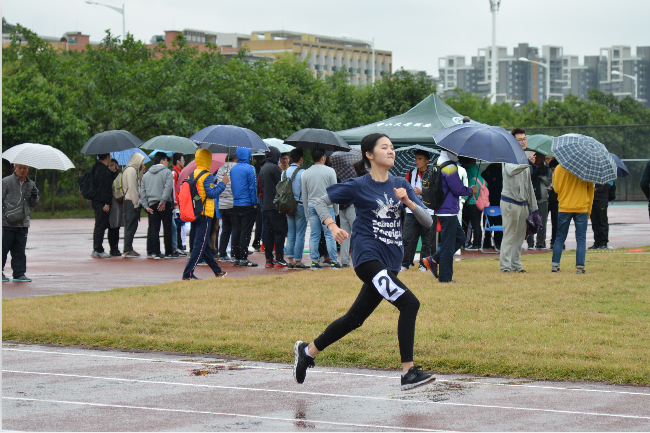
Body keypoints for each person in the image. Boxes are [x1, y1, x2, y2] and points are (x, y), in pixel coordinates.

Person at [292, 133, 436, 391]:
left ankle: (308, 351)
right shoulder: (359, 185)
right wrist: (333, 226)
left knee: (354, 319)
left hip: (390, 262)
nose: (391, 151)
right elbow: (320, 201)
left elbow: (427, 222)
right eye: (385, 147)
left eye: (393, 147)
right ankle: (408, 372)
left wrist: (408, 202)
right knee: (409, 303)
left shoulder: (400, 184)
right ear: (369, 155)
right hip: (367, 258)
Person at [421, 151, 477, 283]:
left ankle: (433, 259)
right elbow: (457, 189)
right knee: (448, 244)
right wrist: (471, 190)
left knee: (460, 238)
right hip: (448, 210)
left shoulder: (438, 161)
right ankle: (445, 278)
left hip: (442, 208)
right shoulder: (449, 166)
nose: (458, 153)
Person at [182, 149, 229, 280]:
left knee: (205, 245)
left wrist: (212, 183)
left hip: (194, 211)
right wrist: (223, 183)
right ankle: (188, 273)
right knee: (200, 244)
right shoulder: (207, 175)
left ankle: (218, 271)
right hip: (204, 213)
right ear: (208, 160)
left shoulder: (193, 174)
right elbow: (212, 194)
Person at [499, 128, 538, 273]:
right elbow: (511, 170)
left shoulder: (525, 158)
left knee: (521, 236)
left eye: (524, 139)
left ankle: (516, 265)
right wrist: (526, 162)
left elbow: (529, 185)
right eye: (519, 140)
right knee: (509, 235)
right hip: (509, 202)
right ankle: (505, 266)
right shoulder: (508, 156)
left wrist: (534, 207)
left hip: (523, 204)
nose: (523, 142)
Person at [551, 164, 594, 274]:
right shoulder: (586, 167)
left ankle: (555, 266)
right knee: (581, 238)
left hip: (564, 206)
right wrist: (589, 210)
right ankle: (580, 267)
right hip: (582, 207)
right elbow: (590, 190)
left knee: (560, 237)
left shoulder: (559, 168)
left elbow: (556, 189)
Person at [302, 148, 340, 270]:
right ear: (323, 157)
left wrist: (306, 211)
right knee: (329, 234)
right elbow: (335, 191)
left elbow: (304, 194)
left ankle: (314, 262)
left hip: (312, 206)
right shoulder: (330, 171)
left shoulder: (305, 173)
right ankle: (334, 261)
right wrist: (336, 209)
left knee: (314, 235)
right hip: (327, 206)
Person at [2, 164, 39, 282]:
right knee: (3, 248)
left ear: (28, 169)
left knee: (20, 250)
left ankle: (19, 274)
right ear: (14, 169)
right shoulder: (5, 181)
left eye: (25, 168)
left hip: (23, 223)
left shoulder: (31, 184)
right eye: (20, 168)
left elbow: (33, 204)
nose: (22, 170)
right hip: (6, 222)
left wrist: (35, 196)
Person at [401, 149, 434, 270]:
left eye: (420, 159)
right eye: (416, 159)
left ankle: (424, 264)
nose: (417, 161)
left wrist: (422, 192)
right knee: (408, 237)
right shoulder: (410, 173)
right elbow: (403, 188)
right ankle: (406, 263)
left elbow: (436, 192)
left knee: (427, 239)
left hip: (428, 210)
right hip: (411, 210)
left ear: (427, 160)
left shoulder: (433, 174)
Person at [141, 153, 177, 259]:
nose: (168, 163)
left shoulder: (146, 174)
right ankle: (169, 252)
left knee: (154, 228)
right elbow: (168, 187)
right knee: (167, 228)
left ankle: (156, 252)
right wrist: (163, 201)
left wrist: (145, 205)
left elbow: (142, 191)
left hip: (151, 204)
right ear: (162, 161)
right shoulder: (167, 172)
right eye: (166, 160)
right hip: (164, 204)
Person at [260, 146, 288, 268]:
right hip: (276, 205)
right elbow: (281, 185)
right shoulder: (275, 168)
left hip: (266, 204)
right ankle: (280, 258)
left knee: (268, 232)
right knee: (279, 231)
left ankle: (268, 259)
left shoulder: (263, 168)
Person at [230, 147, 258, 267]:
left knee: (236, 230)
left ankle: (236, 256)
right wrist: (254, 202)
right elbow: (252, 187)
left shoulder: (233, 169)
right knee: (246, 231)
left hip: (236, 203)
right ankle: (244, 257)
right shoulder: (250, 168)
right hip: (247, 204)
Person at [284, 148, 309, 270]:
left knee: (290, 233)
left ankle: (289, 260)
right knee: (300, 234)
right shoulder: (303, 172)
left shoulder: (284, 172)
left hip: (287, 206)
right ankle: (298, 261)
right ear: (300, 158)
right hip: (299, 205)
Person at [121, 152, 145, 258]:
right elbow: (132, 188)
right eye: (141, 161)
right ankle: (127, 249)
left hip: (131, 200)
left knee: (132, 225)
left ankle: (129, 248)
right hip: (131, 201)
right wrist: (136, 203)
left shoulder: (132, 170)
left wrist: (141, 173)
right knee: (131, 225)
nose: (142, 163)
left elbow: (137, 183)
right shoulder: (130, 170)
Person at [91, 153, 114, 259]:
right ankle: (98, 249)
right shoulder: (103, 170)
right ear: (107, 157)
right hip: (102, 202)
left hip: (96, 200)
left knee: (99, 224)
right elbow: (104, 188)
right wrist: (107, 202)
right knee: (101, 225)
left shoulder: (95, 168)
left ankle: (96, 248)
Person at [527, 152, 551, 250]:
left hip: (542, 198)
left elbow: (549, 181)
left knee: (542, 222)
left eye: (538, 158)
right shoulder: (529, 168)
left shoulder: (546, 169)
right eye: (535, 157)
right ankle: (530, 243)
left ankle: (541, 242)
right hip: (530, 198)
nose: (537, 160)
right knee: (529, 221)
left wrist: (541, 176)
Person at [216, 153, 237, 261]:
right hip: (232, 202)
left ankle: (222, 253)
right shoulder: (235, 168)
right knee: (235, 229)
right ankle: (234, 253)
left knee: (225, 229)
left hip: (222, 203)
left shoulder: (220, 168)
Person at [460, 157, 483, 251]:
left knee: (472, 225)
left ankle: (473, 244)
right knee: (477, 224)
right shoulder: (482, 180)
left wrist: (463, 200)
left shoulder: (472, 181)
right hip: (480, 204)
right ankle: (478, 243)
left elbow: (468, 192)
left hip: (472, 204)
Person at [481, 162, 503, 249]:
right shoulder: (492, 166)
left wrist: (494, 179)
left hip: (499, 199)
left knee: (499, 221)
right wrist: (491, 179)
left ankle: (498, 242)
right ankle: (487, 242)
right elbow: (484, 174)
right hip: (490, 198)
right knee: (487, 220)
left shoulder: (503, 168)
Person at [171, 153, 187, 256]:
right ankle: (177, 246)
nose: (184, 161)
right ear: (177, 161)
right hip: (177, 202)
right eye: (182, 160)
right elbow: (174, 189)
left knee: (180, 225)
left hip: (181, 201)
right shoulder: (175, 173)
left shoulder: (180, 172)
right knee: (177, 225)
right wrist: (176, 203)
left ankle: (180, 246)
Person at [107, 158, 124, 257]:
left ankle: (116, 247)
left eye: (114, 165)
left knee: (117, 226)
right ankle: (112, 248)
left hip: (119, 202)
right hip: (112, 202)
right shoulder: (107, 176)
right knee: (112, 226)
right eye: (110, 165)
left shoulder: (120, 175)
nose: (113, 167)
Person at [589, 182, 612, 249]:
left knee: (602, 221)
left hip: (602, 199)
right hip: (592, 200)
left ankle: (603, 243)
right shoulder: (591, 173)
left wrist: (598, 190)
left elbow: (610, 183)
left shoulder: (606, 173)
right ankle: (597, 242)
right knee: (594, 222)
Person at [546, 157, 560, 249]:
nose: (553, 170)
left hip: (557, 200)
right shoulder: (549, 171)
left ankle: (556, 241)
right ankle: (553, 241)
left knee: (556, 222)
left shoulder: (561, 172)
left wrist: (554, 189)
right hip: (549, 199)